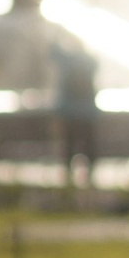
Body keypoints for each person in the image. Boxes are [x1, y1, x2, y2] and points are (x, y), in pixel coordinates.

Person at [53, 37, 101, 188]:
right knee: (86, 144)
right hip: (85, 111)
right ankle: (88, 174)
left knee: (70, 145)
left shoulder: (68, 62)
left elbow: (53, 52)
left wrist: (56, 33)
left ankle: (69, 175)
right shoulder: (89, 61)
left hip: (72, 112)